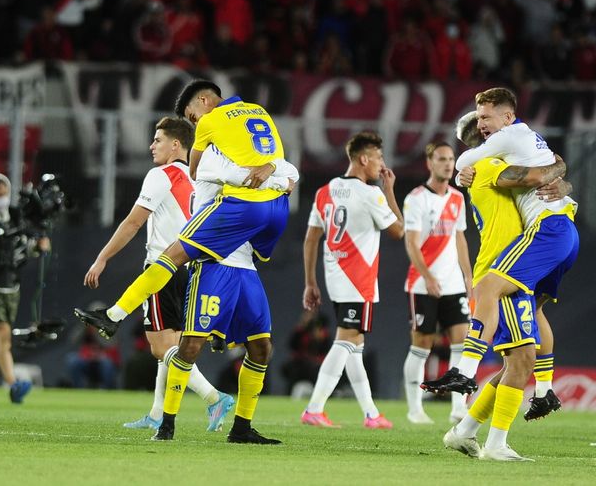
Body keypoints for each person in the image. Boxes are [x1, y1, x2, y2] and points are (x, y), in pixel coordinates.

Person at [425, 89, 577, 461]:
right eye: (480, 123)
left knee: (520, 359)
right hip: (508, 260)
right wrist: (560, 170)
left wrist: (559, 174)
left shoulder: (488, 163)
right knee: (520, 358)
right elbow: (537, 174)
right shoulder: (489, 167)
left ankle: (469, 428)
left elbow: (539, 172)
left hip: (524, 252)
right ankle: (474, 390)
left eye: (486, 119)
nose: (484, 126)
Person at [74, 79, 289, 340]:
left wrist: (102, 258)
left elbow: (134, 221)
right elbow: (282, 166)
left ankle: (113, 316)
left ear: (203, 101)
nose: (195, 123)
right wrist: (279, 176)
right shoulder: (256, 113)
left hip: (208, 237)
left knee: (166, 335)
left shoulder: (191, 155)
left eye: (193, 116)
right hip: (265, 217)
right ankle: (222, 330)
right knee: (241, 283)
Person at [82, 116, 234, 431]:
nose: (152, 146)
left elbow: (133, 223)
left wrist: (102, 257)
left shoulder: (161, 175)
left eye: (158, 140)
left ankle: (214, 397)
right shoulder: (200, 178)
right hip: (192, 269)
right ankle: (157, 413)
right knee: (172, 346)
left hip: (162, 269)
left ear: (176, 145)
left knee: (161, 348)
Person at [150, 143, 299, 444]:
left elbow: (292, 172)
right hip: (213, 263)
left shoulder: (248, 157)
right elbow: (256, 179)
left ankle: (242, 428)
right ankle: (166, 424)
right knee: (191, 345)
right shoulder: (209, 158)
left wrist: (272, 170)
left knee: (262, 347)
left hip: (245, 265)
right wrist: (274, 178)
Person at [301, 131, 404, 429]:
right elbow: (399, 231)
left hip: (335, 278)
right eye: (379, 158)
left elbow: (311, 238)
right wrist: (389, 191)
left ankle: (371, 413)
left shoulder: (325, 191)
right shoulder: (371, 194)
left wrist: (310, 282)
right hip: (358, 280)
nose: (382, 164)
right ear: (363, 159)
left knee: (355, 345)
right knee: (346, 340)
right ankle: (314, 408)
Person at [402, 141, 473, 425]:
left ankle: (458, 407)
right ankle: (415, 409)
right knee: (422, 345)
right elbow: (411, 243)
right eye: (441, 159)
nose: (447, 164)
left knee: (462, 343)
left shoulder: (457, 198)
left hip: (453, 283)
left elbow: (460, 238)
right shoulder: (416, 198)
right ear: (429, 163)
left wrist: (468, 275)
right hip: (422, 284)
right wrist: (428, 277)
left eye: (451, 159)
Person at [0, 173, 50, 403]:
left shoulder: (14, 218)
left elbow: (23, 249)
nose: (2, 197)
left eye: (4, 193)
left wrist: (37, 246)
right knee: (2, 332)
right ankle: (13, 383)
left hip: (11, 287)